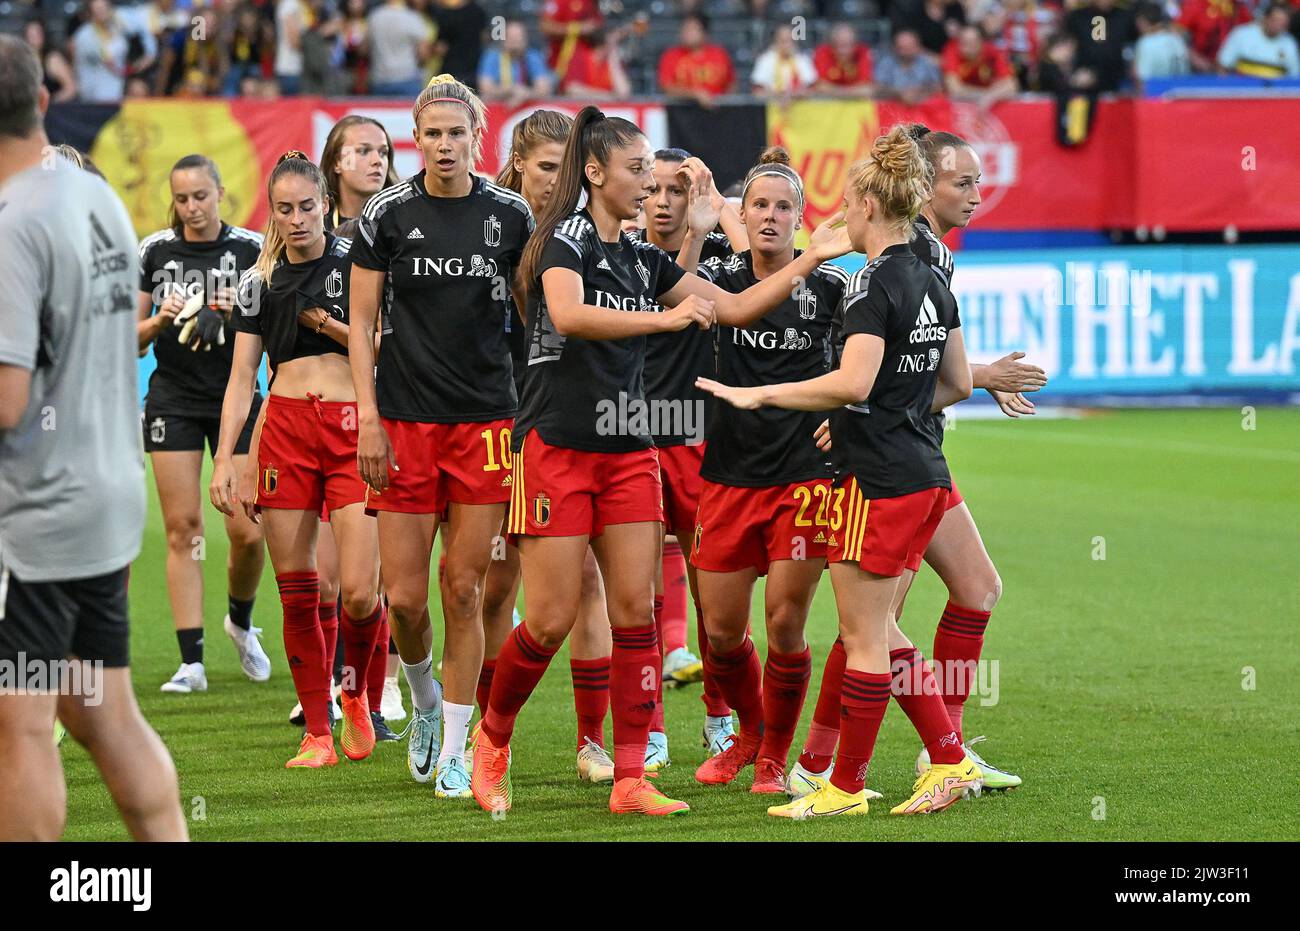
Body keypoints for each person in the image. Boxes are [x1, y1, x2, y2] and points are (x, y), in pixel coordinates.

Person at [470, 104, 853, 817]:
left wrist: (813, 257)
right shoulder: (564, 241)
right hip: (555, 446)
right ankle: (491, 740)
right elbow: (572, 315)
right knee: (549, 619)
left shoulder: (644, 258)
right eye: (638, 168)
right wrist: (664, 318)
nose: (650, 181)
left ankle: (629, 777)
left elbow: (733, 310)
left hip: (628, 451)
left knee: (636, 615)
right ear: (596, 173)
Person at [700, 126, 984, 819]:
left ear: (864, 204)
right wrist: (893, 405)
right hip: (927, 472)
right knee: (883, 632)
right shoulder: (931, 275)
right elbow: (955, 381)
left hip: (875, 477)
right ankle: (946, 756)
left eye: (844, 208)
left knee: (864, 637)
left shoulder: (866, 287)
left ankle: (845, 785)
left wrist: (760, 394)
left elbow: (853, 381)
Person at [787, 125, 1046, 801]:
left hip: (916, 451)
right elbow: (844, 320)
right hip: (886, 457)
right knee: (872, 620)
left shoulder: (923, 254)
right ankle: (825, 761)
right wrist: (850, 408)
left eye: (979, 181)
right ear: (924, 185)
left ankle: (946, 751)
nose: (976, 194)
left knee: (971, 588)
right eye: (963, 182)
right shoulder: (902, 251)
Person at [0, 34, 187, 841]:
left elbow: (7, 398)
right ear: (42, 103)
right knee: (100, 707)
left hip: (31, 519)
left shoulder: (11, 224)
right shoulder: (94, 197)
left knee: (19, 726)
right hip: (104, 501)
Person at [349, 75, 534, 799]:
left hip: (486, 424)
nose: (446, 144)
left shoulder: (511, 216)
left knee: (464, 588)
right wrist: (367, 417)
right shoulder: (386, 217)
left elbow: (531, 325)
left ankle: (458, 747)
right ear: (415, 140)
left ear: (477, 138)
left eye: (458, 133)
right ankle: (423, 702)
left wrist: (528, 422)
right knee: (403, 599)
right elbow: (361, 326)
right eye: (433, 134)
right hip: (402, 424)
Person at [686, 146, 855, 795]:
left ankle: (773, 756)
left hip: (805, 478)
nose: (771, 216)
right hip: (728, 477)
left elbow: (859, 371)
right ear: (744, 212)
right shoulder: (721, 278)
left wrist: (846, 414)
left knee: (785, 622)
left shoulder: (833, 288)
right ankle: (752, 730)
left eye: (785, 206)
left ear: (801, 219)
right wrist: (700, 229)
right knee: (723, 632)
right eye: (760, 204)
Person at [210, 151, 386, 767]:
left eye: (306, 207)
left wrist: (335, 328)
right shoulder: (259, 282)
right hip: (284, 428)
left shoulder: (357, 261)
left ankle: (359, 694)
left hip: (350, 428)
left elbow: (387, 343)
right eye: (283, 209)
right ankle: (318, 730)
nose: (296, 219)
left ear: (325, 203)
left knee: (360, 592)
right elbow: (241, 380)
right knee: (299, 593)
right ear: (272, 212)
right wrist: (228, 457)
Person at [490, 110, 619, 785]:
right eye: (546, 168)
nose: (556, 181)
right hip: (494, 424)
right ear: (518, 163)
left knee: (584, 585)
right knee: (485, 588)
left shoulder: (579, 236)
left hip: (555, 425)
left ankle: (592, 741)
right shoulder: (498, 226)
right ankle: (465, 722)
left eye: (564, 169)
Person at [137, 154, 270, 695]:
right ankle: (190, 662)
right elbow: (130, 338)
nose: (191, 207)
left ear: (220, 193)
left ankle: (239, 620)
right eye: (182, 198)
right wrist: (161, 319)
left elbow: (272, 323)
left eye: (201, 196)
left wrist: (230, 311)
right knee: (183, 529)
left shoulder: (251, 250)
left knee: (247, 529)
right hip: (173, 398)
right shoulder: (155, 252)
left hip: (236, 397)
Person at [630, 148, 740, 768]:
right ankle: (648, 728)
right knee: (638, 596)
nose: (667, 201)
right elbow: (659, 316)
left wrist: (718, 209)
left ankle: (721, 718)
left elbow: (763, 257)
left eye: (680, 189)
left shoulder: (724, 255)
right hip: (633, 437)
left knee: (713, 595)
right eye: (657, 189)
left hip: (703, 440)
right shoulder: (618, 254)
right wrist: (695, 239)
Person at [658, 13, 736, 105]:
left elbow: (731, 83)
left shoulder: (719, 54)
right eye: (685, 29)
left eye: (692, 29)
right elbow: (667, 87)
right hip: (683, 112)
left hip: (717, 112)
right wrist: (694, 95)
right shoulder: (671, 56)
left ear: (705, 33)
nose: (687, 33)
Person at [367, 0, 436, 97]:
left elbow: (364, 49)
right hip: (407, 78)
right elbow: (423, 53)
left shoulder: (374, 17)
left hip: (380, 79)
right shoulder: (412, 17)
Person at [477, 20, 555, 103]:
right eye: (511, 37)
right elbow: (485, 88)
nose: (515, 42)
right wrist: (511, 90)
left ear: (525, 40)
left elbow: (544, 88)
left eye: (518, 37)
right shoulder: (492, 57)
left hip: (526, 111)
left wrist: (526, 94)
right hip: (496, 109)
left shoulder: (533, 57)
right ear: (503, 40)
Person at [942, 25, 1019, 108]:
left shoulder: (993, 52)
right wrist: (986, 95)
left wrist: (990, 97)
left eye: (971, 42)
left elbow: (1012, 85)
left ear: (981, 42)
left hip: (987, 101)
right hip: (960, 105)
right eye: (963, 42)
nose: (965, 47)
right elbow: (954, 89)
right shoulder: (952, 51)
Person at [1217, 3, 1300, 78]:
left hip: (1275, 92)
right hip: (1242, 90)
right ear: (1265, 18)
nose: (1278, 26)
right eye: (1275, 20)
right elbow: (1222, 66)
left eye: (1283, 23)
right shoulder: (1241, 34)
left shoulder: (1289, 43)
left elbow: (1294, 76)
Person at [1178, 0, 1252, 74]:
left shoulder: (1240, 8)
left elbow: (1252, 35)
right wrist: (1195, 58)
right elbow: (1176, 37)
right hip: (1202, 70)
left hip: (1232, 70)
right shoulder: (1196, 5)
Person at [874, 30, 944, 104]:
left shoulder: (927, 62)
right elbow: (877, 89)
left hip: (923, 107)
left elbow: (938, 87)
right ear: (895, 48)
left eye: (911, 47)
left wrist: (920, 91)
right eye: (903, 48)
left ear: (918, 46)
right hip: (893, 106)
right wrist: (899, 93)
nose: (908, 51)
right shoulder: (886, 64)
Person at [560, 27, 632, 99]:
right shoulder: (581, 57)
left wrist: (613, 60)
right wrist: (607, 96)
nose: (616, 47)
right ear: (604, 44)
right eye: (614, 43)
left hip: (604, 108)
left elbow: (624, 92)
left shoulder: (611, 62)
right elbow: (572, 89)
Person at [750, 24, 818, 99]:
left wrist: (792, 96)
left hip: (802, 108)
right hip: (772, 108)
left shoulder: (803, 59)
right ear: (775, 41)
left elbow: (813, 89)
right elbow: (757, 91)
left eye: (791, 41)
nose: (787, 45)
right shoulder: (765, 60)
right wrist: (782, 96)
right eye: (783, 41)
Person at [1134, 2, 1191, 85]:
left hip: (1155, 94)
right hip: (1180, 92)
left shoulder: (1146, 43)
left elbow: (1142, 79)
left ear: (1142, 22)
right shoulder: (1177, 39)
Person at [23, 19, 77, 103]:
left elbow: (71, 88)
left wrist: (51, 102)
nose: (34, 40)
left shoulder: (53, 59)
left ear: (44, 36)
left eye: (37, 35)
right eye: (31, 36)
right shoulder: (22, 61)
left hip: (53, 111)